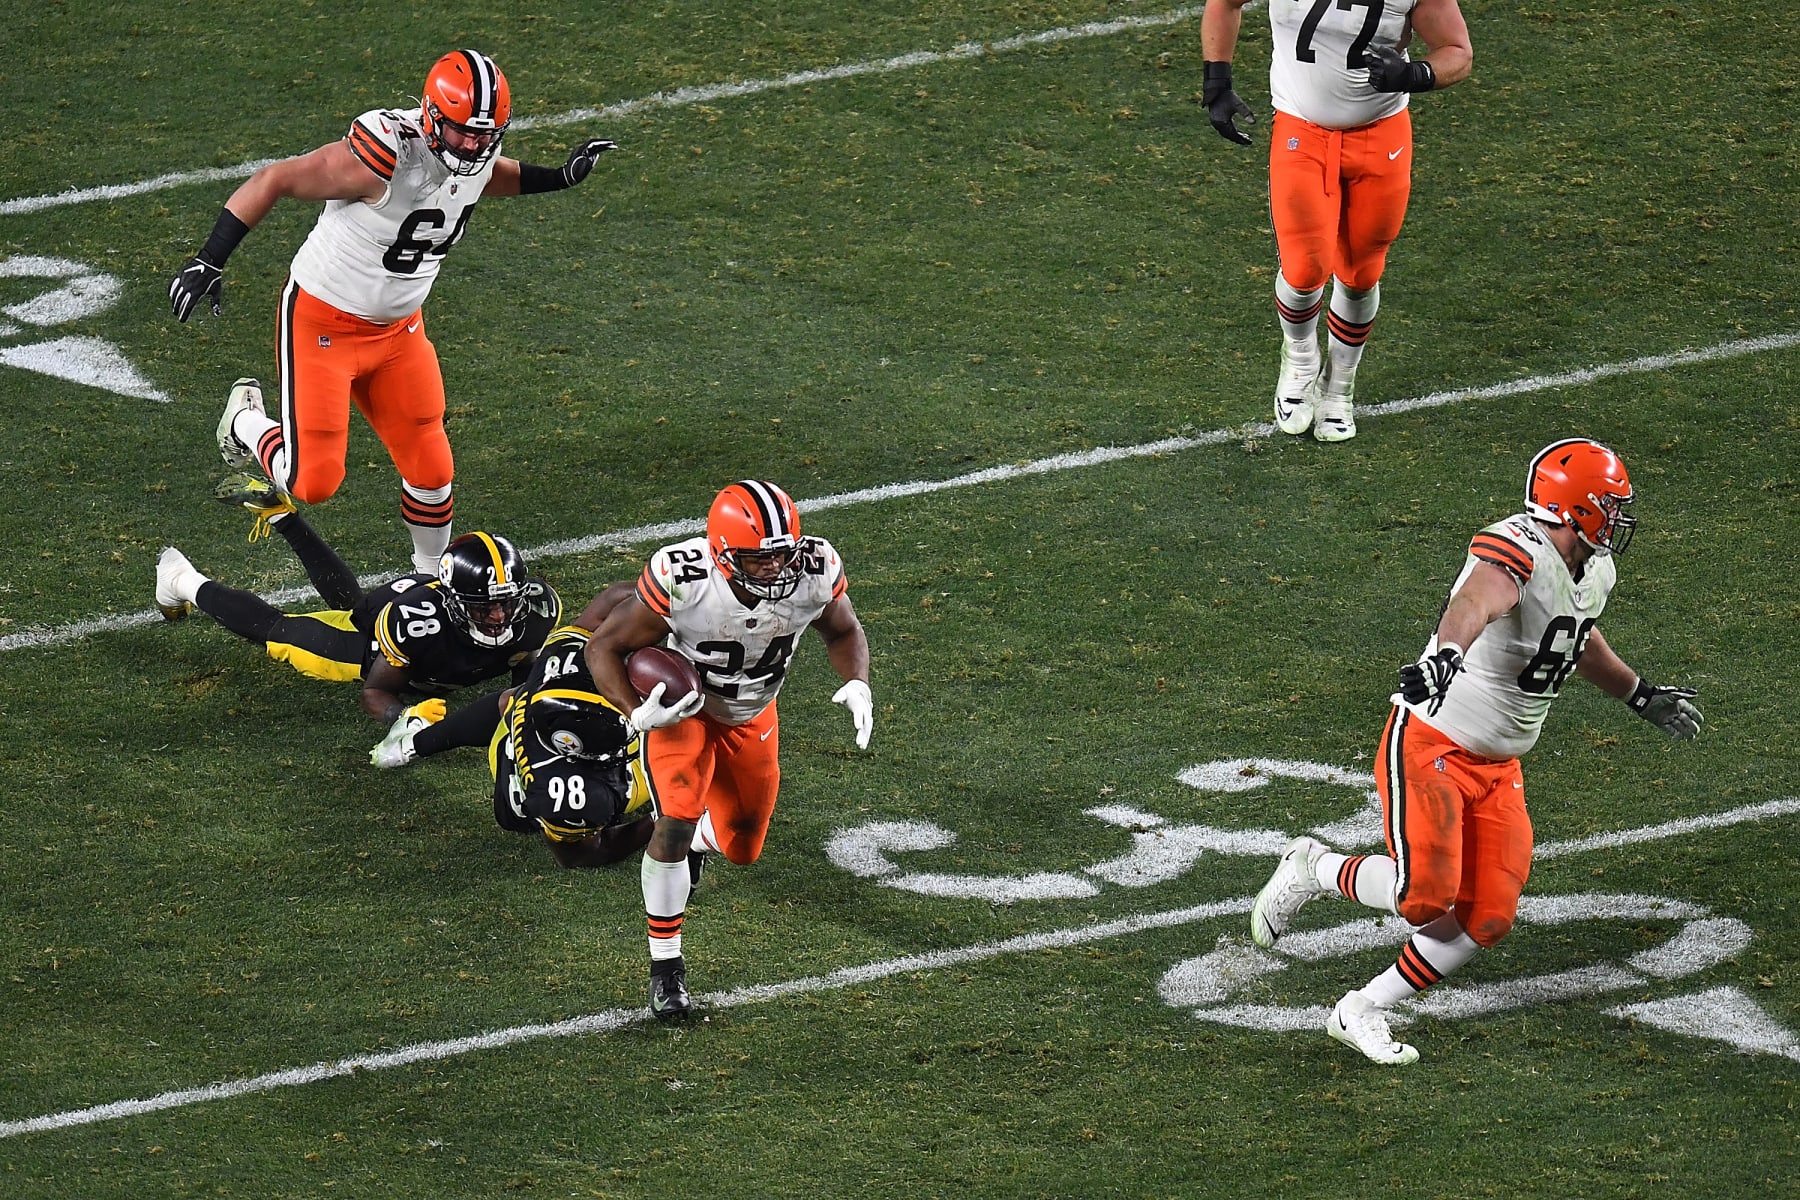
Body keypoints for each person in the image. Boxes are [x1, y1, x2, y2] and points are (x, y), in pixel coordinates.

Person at [1248, 439, 1704, 1064]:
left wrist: (1636, 693)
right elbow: (1476, 602)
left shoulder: (1595, 569)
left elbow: (1573, 635)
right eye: (1609, 505)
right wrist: (1444, 655)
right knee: (1421, 898)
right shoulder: (1518, 546)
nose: (1618, 519)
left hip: (1499, 763)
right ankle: (1313, 867)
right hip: (1434, 742)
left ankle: (1361, 1008)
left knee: (1485, 917)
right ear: (1573, 507)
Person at [168, 49, 617, 572]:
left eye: (485, 133)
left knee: (431, 466)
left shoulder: (472, 149)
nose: (474, 144)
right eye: (462, 132)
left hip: (399, 332)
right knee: (312, 481)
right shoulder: (384, 154)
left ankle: (432, 580)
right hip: (323, 323)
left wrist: (559, 177)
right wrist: (209, 259)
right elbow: (276, 179)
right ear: (430, 116)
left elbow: (487, 174)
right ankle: (245, 419)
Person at [584, 480, 874, 1020]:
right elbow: (604, 645)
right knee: (674, 815)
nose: (774, 569)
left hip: (753, 713)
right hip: (684, 712)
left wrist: (857, 680)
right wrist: (634, 710)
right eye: (757, 560)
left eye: (781, 556)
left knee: (744, 846)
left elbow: (843, 631)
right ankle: (666, 970)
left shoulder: (814, 568)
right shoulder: (683, 578)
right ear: (721, 552)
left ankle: (698, 842)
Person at [1201, 0, 1473, 441]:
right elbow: (1224, 4)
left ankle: (1339, 390)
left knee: (1362, 270)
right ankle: (1301, 359)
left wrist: (1414, 74)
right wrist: (1217, 79)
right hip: (1301, 129)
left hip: (1381, 133)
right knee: (1305, 267)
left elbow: (1457, 50)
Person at [155, 475, 562, 759]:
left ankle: (283, 515)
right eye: (483, 605)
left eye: (506, 601)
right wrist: (402, 716)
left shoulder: (534, 611)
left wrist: (525, 708)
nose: (498, 615)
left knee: (354, 604)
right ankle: (179, 577)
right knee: (279, 632)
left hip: (407, 596)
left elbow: (524, 664)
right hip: (368, 646)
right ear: (455, 601)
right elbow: (374, 692)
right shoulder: (418, 624)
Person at [479, 623, 657, 869]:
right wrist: (661, 817)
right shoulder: (574, 798)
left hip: (529, 737)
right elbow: (580, 856)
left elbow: (604, 607)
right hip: (531, 800)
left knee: (511, 700)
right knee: (666, 750)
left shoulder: (556, 669)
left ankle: (419, 741)